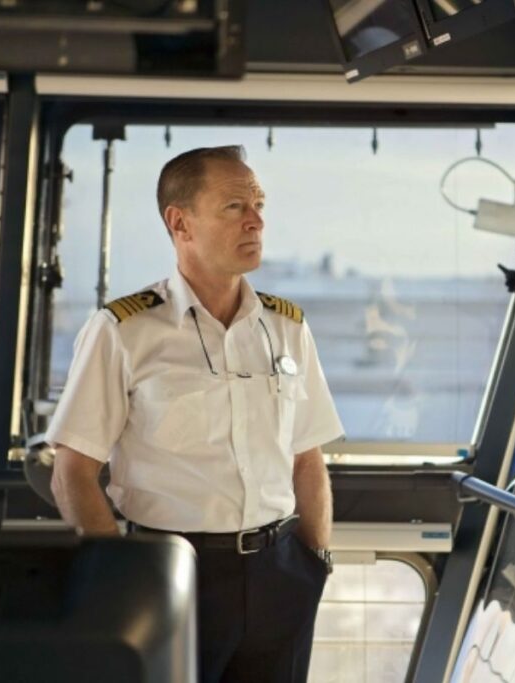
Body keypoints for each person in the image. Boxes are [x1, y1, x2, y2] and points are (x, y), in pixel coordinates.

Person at [47, 145, 344, 683]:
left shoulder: (287, 327)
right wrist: (124, 580)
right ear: (179, 223)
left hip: (281, 574)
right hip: (171, 572)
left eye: (258, 204)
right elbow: (72, 471)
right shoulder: (123, 331)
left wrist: (315, 561)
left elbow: (308, 457)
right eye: (234, 206)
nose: (256, 220)